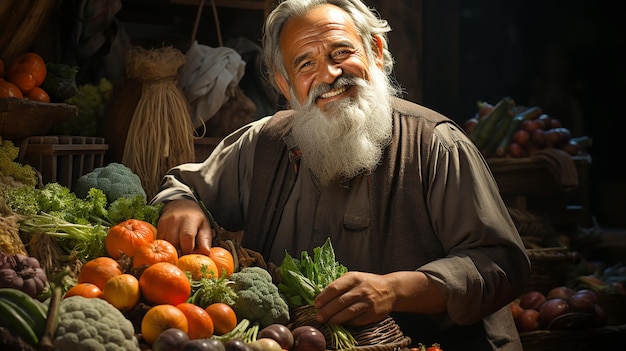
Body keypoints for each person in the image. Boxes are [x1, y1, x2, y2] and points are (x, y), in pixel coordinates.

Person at [151, 0, 531, 350]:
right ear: (285, 85)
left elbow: (502, 263)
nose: (329, 74)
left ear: (376, 53)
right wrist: (182, 203)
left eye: (341, 52)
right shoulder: (263, 142)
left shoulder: (436, 144)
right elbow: (182, 187)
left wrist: (396, 290)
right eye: (305, 64)